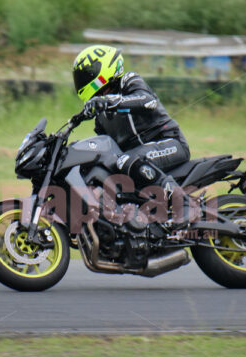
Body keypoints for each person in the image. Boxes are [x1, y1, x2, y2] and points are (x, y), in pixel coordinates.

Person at [72, 45, 199, 227]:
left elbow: (148, 101)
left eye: (85, 76)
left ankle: (184, 204)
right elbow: (105, 144)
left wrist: (110, 101)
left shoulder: (128, 81)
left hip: (170, 143)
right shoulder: (101, 114)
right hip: (138, 158)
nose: (81, 81)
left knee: (126, 160)